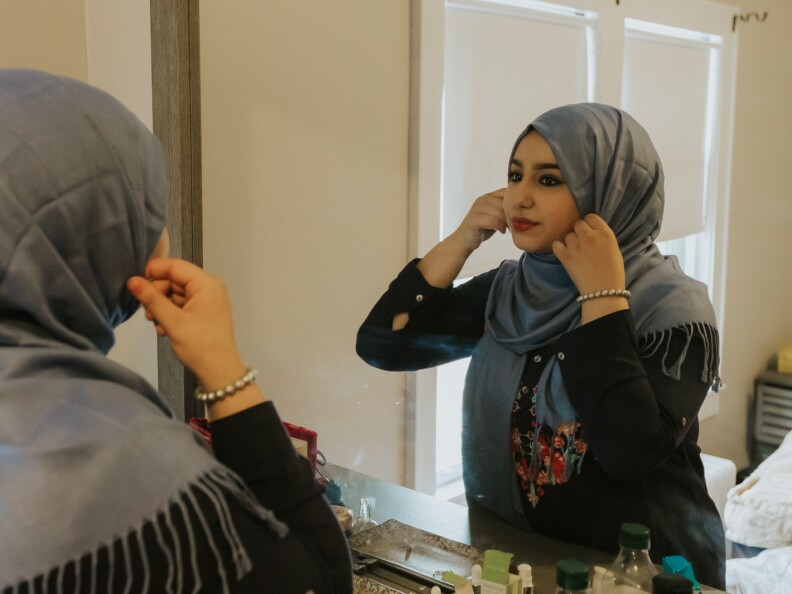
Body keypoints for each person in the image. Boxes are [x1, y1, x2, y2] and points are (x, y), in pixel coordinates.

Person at [0, 69, 352, 593]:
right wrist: (226, 372)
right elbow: (317, 581)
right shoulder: (127, 478)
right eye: (146, 207)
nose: (161, 231)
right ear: (95, 230)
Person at [356, 103, 726, 588]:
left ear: (610, 191)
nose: (520, 198)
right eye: (515, 176)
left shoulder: (674, 310)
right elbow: (387, 344)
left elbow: (629, 451)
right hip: (523, 558)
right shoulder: (513, 291)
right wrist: (462, 239)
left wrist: (603, 297)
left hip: (642, 572)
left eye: (548, 180)